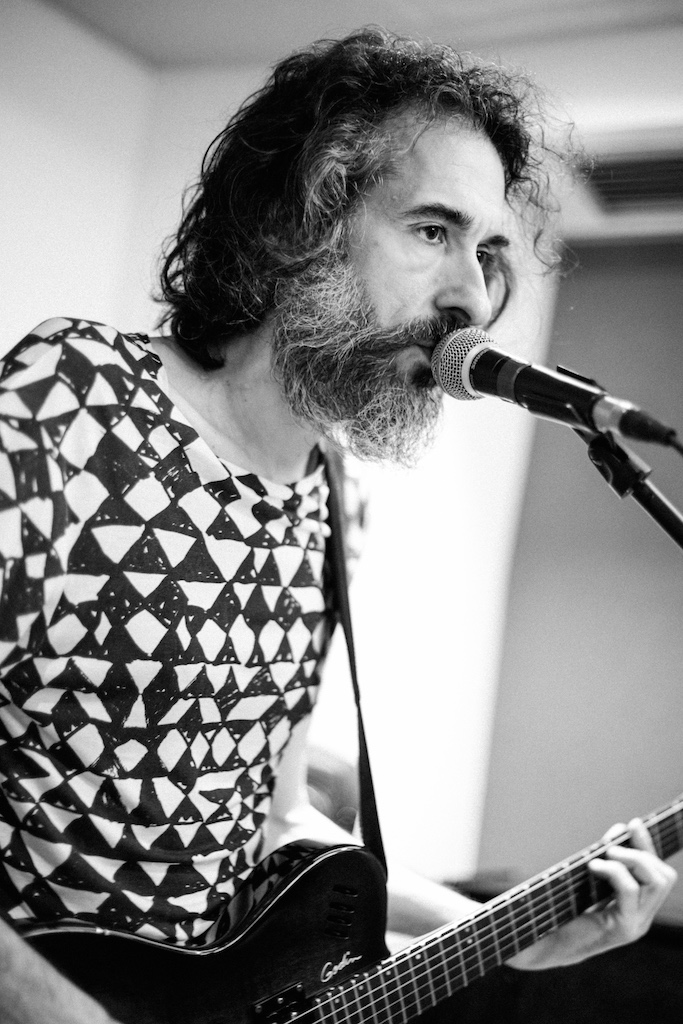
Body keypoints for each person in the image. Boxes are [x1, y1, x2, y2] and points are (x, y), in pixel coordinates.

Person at [0, 27, 676, 1024]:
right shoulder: (76, 403)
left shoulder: (322, 487)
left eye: (488, 253)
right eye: (433, 230)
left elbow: (274, 823)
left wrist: (509, 930)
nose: (470, 296)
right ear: (303, 223)